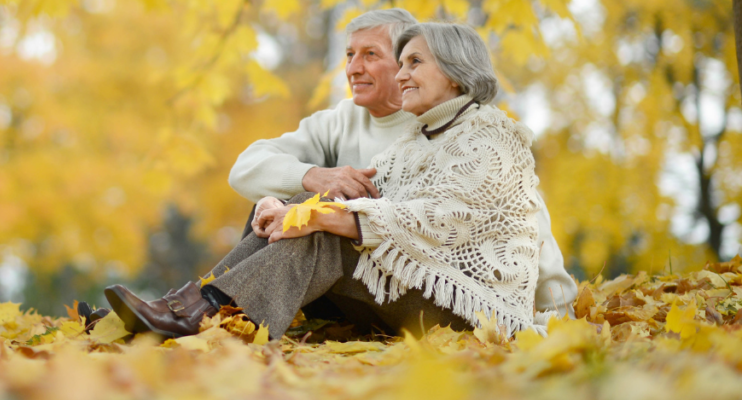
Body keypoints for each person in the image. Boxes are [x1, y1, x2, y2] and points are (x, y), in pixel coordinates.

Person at [106, 23, 550, 340]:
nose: (401, 75)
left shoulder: (491, 138)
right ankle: (190, 310)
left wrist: (317, 218)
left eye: (414, 63)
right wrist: (291, 208)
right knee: (312, 200)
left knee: (324, 225)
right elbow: (375, 201)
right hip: (413, 292)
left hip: (473, 315)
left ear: (454, 74)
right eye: (400, 63)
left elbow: (436, 220)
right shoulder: (418, 140)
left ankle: (206, 318)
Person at [229, 10, 576, 317]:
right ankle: (209, 308)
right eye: (349, 54)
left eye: (370, 55)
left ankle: (213, 310)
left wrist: (559, 306)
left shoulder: (465, 129)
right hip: (379, 277)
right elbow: (247, 168)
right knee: (282, 208)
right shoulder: (368, 127)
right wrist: (310, 179)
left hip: (447, 293)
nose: (353, 68)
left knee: (310, 216)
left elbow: (525, 220)